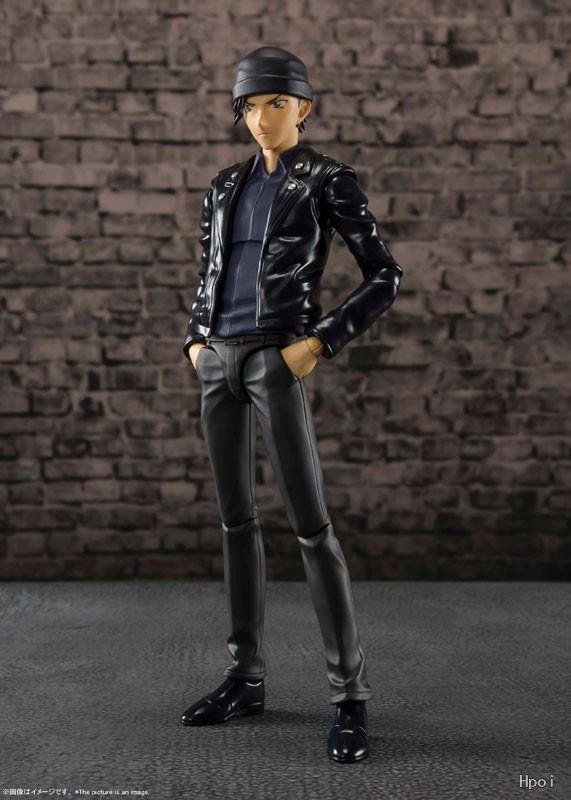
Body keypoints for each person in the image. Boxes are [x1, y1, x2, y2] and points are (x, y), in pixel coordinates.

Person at [180, 46, 404, 763]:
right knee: (235, 521)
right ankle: (245, 677)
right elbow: (211, 269)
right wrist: (195, 340)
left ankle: (349, 696)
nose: (260, 118)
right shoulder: (225, 184)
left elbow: (383, 275)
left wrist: (318, 343)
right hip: (218, 359)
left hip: (278, 357)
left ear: (303, 107)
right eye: (249, 106)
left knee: (311, 528)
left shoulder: (327, 180)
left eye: (275, 103)